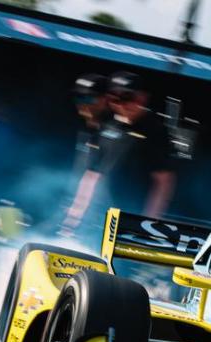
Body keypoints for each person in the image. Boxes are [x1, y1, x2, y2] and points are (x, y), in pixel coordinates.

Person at [62, 71, 175, 236]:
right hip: (99, 216)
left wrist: (149, 223)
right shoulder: (106, 126)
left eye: (128, 97)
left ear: (142, 97)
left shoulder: (155, 130)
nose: (122, 104)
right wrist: (75, 214)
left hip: (131, 217)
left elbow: (163, 182)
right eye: (115, 98)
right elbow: (91, 175)